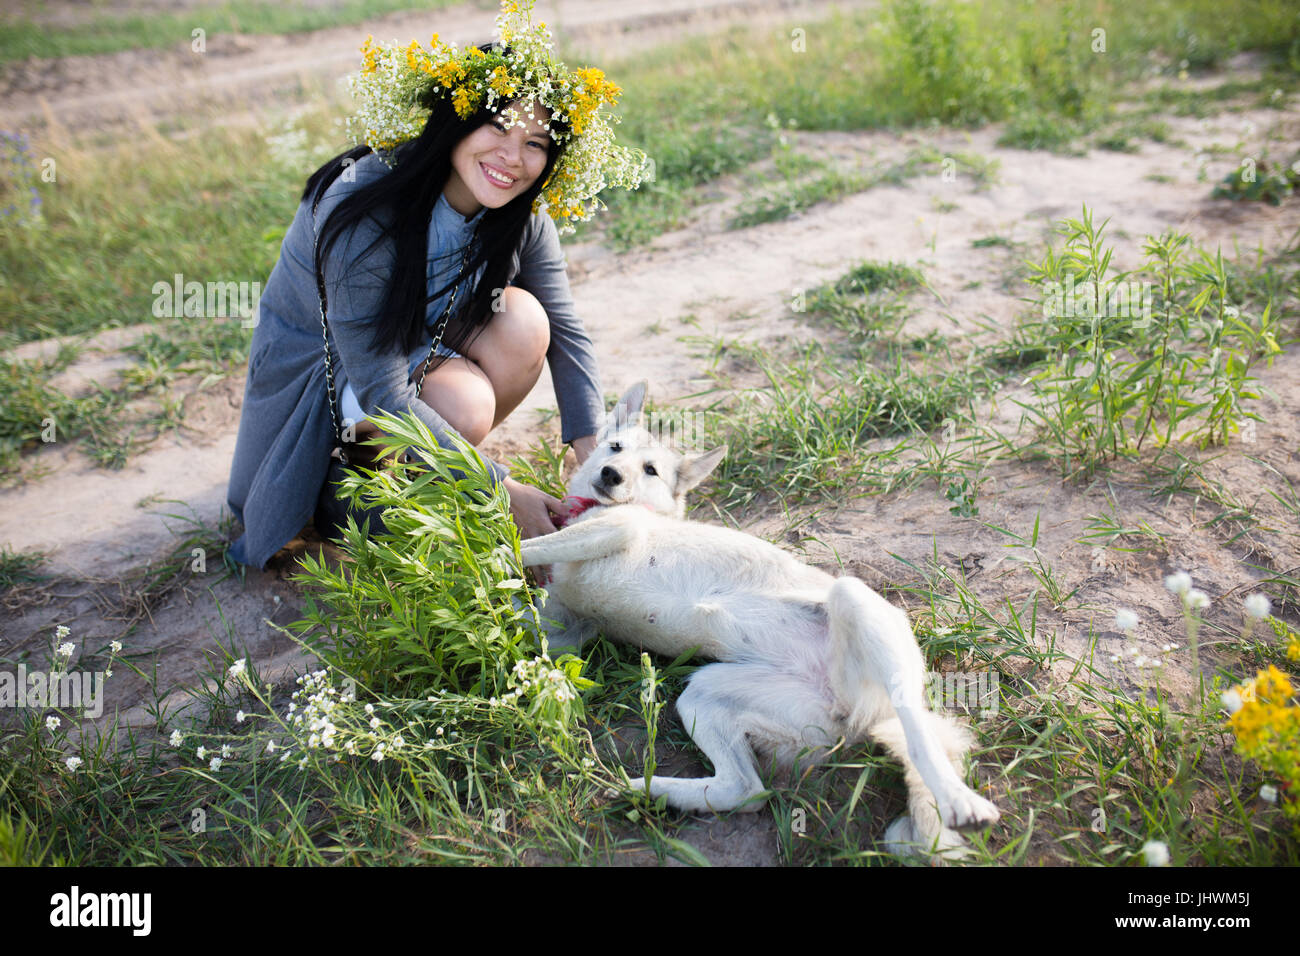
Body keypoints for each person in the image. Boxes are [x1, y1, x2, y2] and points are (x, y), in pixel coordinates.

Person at [226, 3, 647, 569]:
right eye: (496, 126)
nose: (511, 157)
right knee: (461, 405)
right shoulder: (362, 209)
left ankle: (423, 461)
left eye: (535, 144)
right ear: (456, 120)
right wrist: (501, 487)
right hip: (331, 378)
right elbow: (382, 389)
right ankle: (345, 483)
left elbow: (566, 332)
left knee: (525, 321)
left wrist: (591, 450)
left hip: (414, 356)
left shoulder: (521, 214)